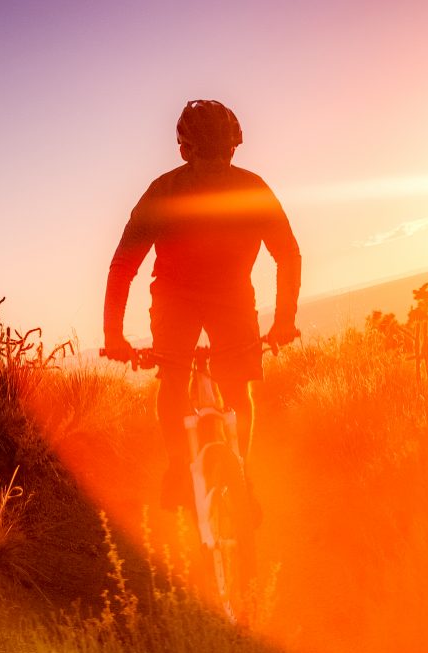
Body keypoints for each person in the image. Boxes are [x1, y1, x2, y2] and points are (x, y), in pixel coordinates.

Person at [103, 99, 301, 510]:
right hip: (199, 298)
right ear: (188, 152)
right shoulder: (244, 187)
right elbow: (287, 255)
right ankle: (189, 467)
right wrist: (283, 322)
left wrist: (114, 335)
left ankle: (223, 473)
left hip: (205, 297)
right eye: (209, 154)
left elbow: (124, 264)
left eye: (221, 154)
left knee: (187, 382)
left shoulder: (170, 190)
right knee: (212, 383)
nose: (216, 163)